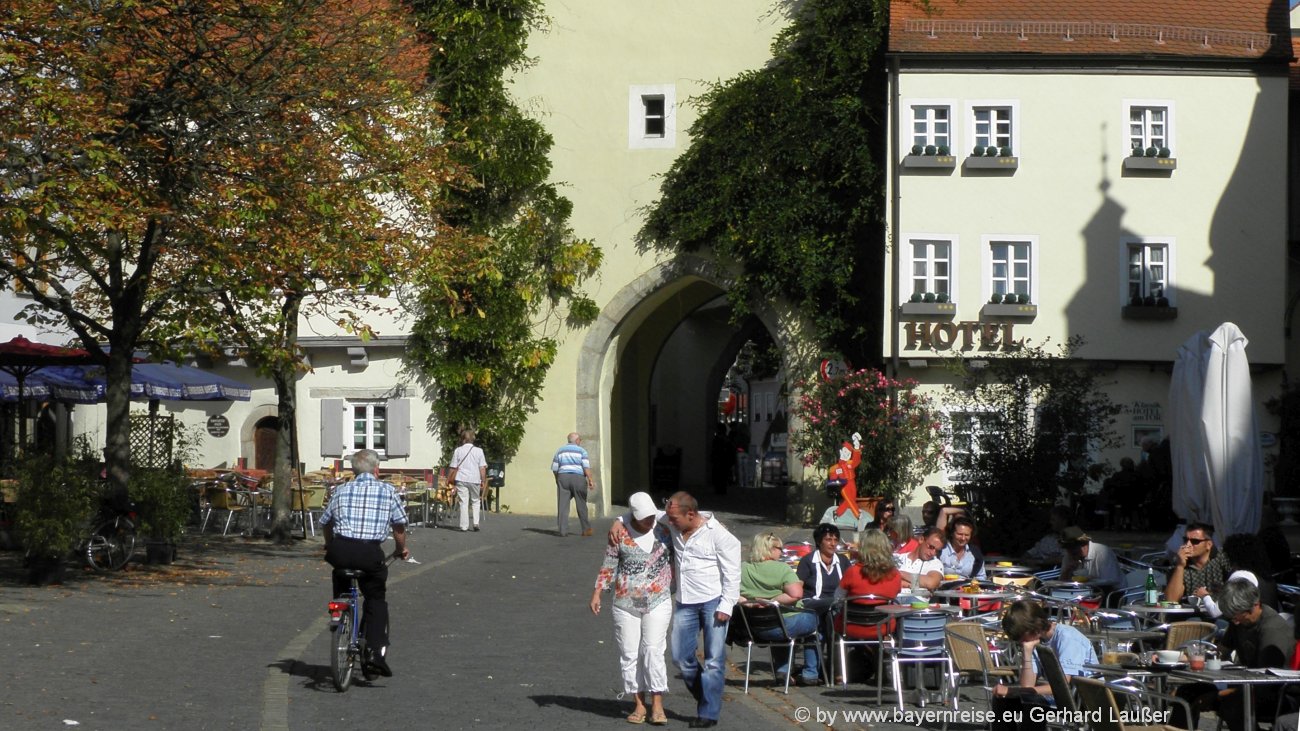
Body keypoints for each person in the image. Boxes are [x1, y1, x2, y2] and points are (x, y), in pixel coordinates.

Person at [610, 491, 741, 728]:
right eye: (668, 518)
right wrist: (618, 521)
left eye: (674, 520)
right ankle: (707, 697)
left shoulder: (719, 535)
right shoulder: (673, 520)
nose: (668, 523)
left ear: (690, 514)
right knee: (681, 657)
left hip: (714, 601)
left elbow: (733, 573)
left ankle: (708, 714)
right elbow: (640, 512)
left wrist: (727, 604)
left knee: (713, 660)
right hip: (685, 601)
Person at [319, 448, 409, 677]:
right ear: (377, 469)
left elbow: (326, 522)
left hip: (341, 549)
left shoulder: (341, 490)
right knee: (376, 598)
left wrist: (329, 545)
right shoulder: (388, 491)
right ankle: (374, 653)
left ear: (353, 470)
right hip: (369, 553)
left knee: (340, 573)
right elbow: (399, 526)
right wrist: (401, 549)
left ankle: (339, 606)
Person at [590, 492, 672, 726]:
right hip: (626, 602)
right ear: (633, 516)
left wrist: (619, 517)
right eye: (644, 517)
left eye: (651, 516)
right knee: (629, 652)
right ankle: (638, 703)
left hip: (658, 599)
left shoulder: (663, 529)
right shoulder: (620, 534)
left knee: (653, 649)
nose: (649, 521)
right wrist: (598, 592)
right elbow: (609, 563)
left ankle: (657, 703)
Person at [1174, 579, 1295, 731]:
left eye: (1238, 616)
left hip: (1275, 692)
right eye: (1232, 618)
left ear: (1255, 605)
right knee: (1186, 692)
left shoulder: (1272, 629)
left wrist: (1219, 695)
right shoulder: (1238, 621)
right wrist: (1187, 657)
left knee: (1231, 703)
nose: (1235, 622)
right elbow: (1222, 650)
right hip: (1246, 685)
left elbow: (1267, 681)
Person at [990, 599, 1098, 731]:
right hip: (1063, 696)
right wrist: (1027, 652)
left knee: (1034, 703)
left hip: (1084, 698)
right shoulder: (1037, 640)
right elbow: (1027, 686)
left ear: (1033, 628)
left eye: (1021, 637)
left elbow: (1063, 687)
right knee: (1003, 699)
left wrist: (1013, 690)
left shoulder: (1067, 638)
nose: (1020, 641)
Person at [740, 531, 821, 685]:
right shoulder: (782, 569)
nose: (781, 552)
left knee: (783, 626)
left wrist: (750, 602)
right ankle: (810, 673)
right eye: (779, 548)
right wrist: (772, 601)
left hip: (755, 626)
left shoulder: (743, 568)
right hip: (783, 624)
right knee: (815, 622)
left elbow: (730, 592)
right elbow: (797, 594)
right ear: (769, 549)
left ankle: (783, 671)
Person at [1165, 521, 1230, 604]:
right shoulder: (1179, 562)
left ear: (1208, 545)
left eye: (1195, 541)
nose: (1188, 544)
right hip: (1189, 614)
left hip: (1219, 612)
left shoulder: (1222, 559)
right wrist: (1180, 566)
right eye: (1185, 540)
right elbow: (1171, 600)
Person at [551, 431, 595, 537]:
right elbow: (586, 467)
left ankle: (562, 530)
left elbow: (555, 468)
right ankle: (586, 529)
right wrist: (590, 479)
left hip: (563, 477)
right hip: (578, 478)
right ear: (577, 440)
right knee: (581, 504)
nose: (580, 441)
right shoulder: (582, 451)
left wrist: (557, 479)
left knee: (563, 505)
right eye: (580, 439)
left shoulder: (560, 451)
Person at [1057, 526, 1122, 590]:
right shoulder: (1069, 556)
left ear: (1084, 545)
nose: (1072, 555)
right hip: (1082, 593)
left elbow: (1110, 583)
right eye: (1068, 549)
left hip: (1113, 593)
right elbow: (1061, 584)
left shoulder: (1102, 552)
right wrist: (1067, 570)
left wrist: (1089, 579)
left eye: (1075, 552)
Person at [449, 428, 487, 532]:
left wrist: (450, 480)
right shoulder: (479, 451)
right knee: (475, 500)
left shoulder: (458, 450)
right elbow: (482, 468)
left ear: (463, 439)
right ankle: (475, 523)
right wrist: (483, 480)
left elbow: (453, 467)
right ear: (473, 439)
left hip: (461, 478)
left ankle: (464, 526)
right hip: (475, 479)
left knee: (463, 502)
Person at [897, 527, 945, 594]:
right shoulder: (899, 557)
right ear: (921, 539)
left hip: (917, 601)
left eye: (937, 551)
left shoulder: (935, 563)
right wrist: (915, 584)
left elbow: (931, 583)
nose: (933, 553)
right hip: (892, 599)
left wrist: (900, 574)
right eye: (931, 547)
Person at [939, 515, 986, 580]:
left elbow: (981, 577)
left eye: (967, 535)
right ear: (952, 533)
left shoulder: (975, 553)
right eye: (959, 534)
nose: (963, 538)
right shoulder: (940, 550)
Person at [831, 432, 862, 520]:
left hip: (852, 482)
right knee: (849, 499)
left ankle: (837, 512)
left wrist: (856, 446)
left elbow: (856, 460)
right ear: (840, 452)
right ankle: (857, 514)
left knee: (852, 498)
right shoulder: (836, 467)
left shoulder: (850, 464)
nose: (847, 454)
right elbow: (833, 476)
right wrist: (835, 480)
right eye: (845, 452)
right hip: (843, 484)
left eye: (849, 453)